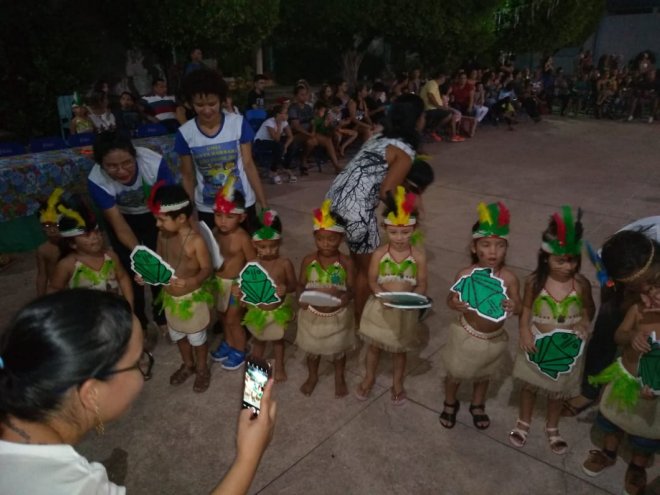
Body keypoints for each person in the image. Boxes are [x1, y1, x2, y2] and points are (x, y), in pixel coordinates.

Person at [0, 289, 277, 495]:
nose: (144, 370)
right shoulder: (74, 488)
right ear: (91, 393)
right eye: (138, 362)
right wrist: (248, 457)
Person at [326, 94, 433, 320]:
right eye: (422, 115)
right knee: (368, 272)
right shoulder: (405, 152)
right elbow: (387, 190)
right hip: (356, 210)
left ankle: (354, 306)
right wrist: (405, 214)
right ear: (415, 120)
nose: (424, 119)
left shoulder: (377, 138)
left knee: (357, 262)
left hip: (333, 201)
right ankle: (360, 321)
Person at [509, 207, 595, 455]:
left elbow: (589, 309)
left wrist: (584, 322)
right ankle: (523, 421)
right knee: (530, 386)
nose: (568, 266)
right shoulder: (534, 282)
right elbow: (526, 309)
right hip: (536, 342)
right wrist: (524, 331)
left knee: (557, 392)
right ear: (545, 257)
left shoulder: (581, 284)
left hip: (566, 349)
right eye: (561, 260)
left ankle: (553, 426)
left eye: (572, 260)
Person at [440, 202, 521, 429]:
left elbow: (521, 306)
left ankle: (477, 404)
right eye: (486, 245)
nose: (493, 251)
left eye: (500, 246)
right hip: (467, 333)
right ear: (475, 248)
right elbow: (449, 299)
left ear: (506, 248)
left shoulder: (510, 279)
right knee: (455, 371)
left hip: (493, 337)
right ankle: (449, 401)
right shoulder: (465, 274)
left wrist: (514, 305)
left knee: (483, 374)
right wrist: (455, 303)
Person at [563, 230, 660, 416]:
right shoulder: (610, 263)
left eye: (651, 281)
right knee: (607, 321)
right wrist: (630, 304)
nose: (646, 289)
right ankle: (589, 391)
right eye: (635, 285)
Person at [581, 268, 660, 495]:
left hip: (653, 391)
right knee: (613, 422)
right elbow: (619, 335)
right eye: (650, 291)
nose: (652, 298)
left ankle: (637, 466)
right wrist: (631, 336)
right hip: (626, 378)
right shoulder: (638, 311)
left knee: (645, 433)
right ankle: (608, 452)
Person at [88, 132, 173, 333]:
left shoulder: (154, 163)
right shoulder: (96, 181)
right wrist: (141, 255)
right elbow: (119, 225)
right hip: (123, 220)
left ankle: (162, 317)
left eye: (127, 163)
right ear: (101, 164)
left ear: (135, 156)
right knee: (132, 270)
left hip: (156, 217)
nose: (121, 171)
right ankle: (139, 322)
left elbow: (168, 207)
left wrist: (155, 254)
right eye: (112, 166)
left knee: (160, 266)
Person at [355, 187, 427, 405]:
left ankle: (397, 382)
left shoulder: (418, 256)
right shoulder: (379, 254)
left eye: (405, 232)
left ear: (414, 229)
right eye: (394, 232)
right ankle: (369, 376)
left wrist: (414, 299)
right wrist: (379, 294)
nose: (399, 237)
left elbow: (422, 283)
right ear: (385, 227)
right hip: (380, 308)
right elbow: (372, 280)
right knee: (374, 346)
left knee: (399, 350)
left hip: (404, 310)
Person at [177, 69, 267, 231]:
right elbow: (187, 176)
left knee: (249, 251)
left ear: (222, 101)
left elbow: (248, 164)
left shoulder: (238, 124)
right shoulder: (185, 133)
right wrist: (189, 213)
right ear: (190, 104)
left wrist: (264, 204)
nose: (206, 110)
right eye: (199, 105)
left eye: (212, 104)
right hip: (209, 208)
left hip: (242, 204)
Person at [147, 183, 214, 392]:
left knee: (197, 339)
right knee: (178, 336)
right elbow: (157, 260)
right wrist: (147, 273)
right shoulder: (162, 236)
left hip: (191, 301)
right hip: (170, 301)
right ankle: (188, 364)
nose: (157, 224)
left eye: (162, 219)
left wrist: (193, 281)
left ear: (182, 218)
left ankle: (202, 368)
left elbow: (207, 269)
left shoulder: (195, 242)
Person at [295, 200, 356, 397]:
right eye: (320, 239)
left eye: (331, 239)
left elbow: (352, 287)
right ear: (315, 237)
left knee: (338, 350)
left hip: (337, 314)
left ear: (341, 238)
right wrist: (301, 297)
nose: (326, 244)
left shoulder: (345, 262)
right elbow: (300, 284)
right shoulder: (309, 260)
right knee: (313, 349)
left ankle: (339, 376)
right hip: (312, 313)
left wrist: (347, 297)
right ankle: (313, 375)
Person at [48, 193, 133, 306]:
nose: (95, 237)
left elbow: (123, 278)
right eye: (86, 235)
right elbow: (54, 290)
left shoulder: (110, 256)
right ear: (72, 243)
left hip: (115, 312)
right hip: (86, 319)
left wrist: (129, 306)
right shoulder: (68, 265)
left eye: (97, 232)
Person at [243, 210, 296, 382]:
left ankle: (279, 366)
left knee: (278, 340)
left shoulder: (284, 263)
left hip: (277, 311)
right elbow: (245, 286)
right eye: (263, 247)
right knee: (258, 341)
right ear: (254, 244)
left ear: (280, 241)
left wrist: (285, 287)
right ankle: (256, 370)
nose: (268, 250)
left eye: (273, 246)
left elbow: (294, 285)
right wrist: (239, 291)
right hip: (258, 311)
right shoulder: (252, 265)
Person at [210, 178, 257, 370]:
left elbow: (253, 263)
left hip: (236, 285)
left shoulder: (243, 238)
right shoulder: (215, 232)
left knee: (233, 319)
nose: (222, 221)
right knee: (221, 316)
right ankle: (228, 343)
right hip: (218, 282)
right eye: (219, 215)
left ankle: (240, 348)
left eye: (229, 216)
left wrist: (245, 286)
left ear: (242, 217)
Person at [288, 84, 339, 176]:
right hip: (296, 134)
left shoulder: (308, 108)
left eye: (306, 94)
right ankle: (303, 160)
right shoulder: (293, 108)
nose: (305, 96)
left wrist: (313, 132)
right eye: (302, 94)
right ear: (296, 96)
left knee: (322, 140)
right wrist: (309, 133)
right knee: (313, 140)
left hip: (310, 133)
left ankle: (336, 166)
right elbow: (296, 126)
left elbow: (313, 121)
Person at [253, 104, 295, 184]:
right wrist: (279, 124)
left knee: (291, 145)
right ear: (278, 114)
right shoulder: (269, 122)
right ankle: (273, 170)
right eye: (284, 113)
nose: (286, 115)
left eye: (287, 113)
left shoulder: (284, 122)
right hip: (261, 142)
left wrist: (285, 147)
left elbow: (291, 136)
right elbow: (276, 139)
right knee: (278, 146)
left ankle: (286, 167)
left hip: (273, 142)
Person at [419, 71, 462, 143]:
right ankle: (433, 131)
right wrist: (438, 106)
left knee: (451, 114)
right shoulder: (432, 83)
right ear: (441, 77)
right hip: (430, 109)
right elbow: (430, 96)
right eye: (444, 78)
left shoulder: (434, 85)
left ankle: (453, 135)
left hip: (433, 108)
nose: (444, 80)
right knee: (449, 114)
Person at [35, 189, 63, 297]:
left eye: (56, 225)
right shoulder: (43, 250)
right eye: (47, 226)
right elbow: (42, 276)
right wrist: (40, 300)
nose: (52, 230)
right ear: (42, 228)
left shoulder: (74, 244)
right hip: (57, 293)